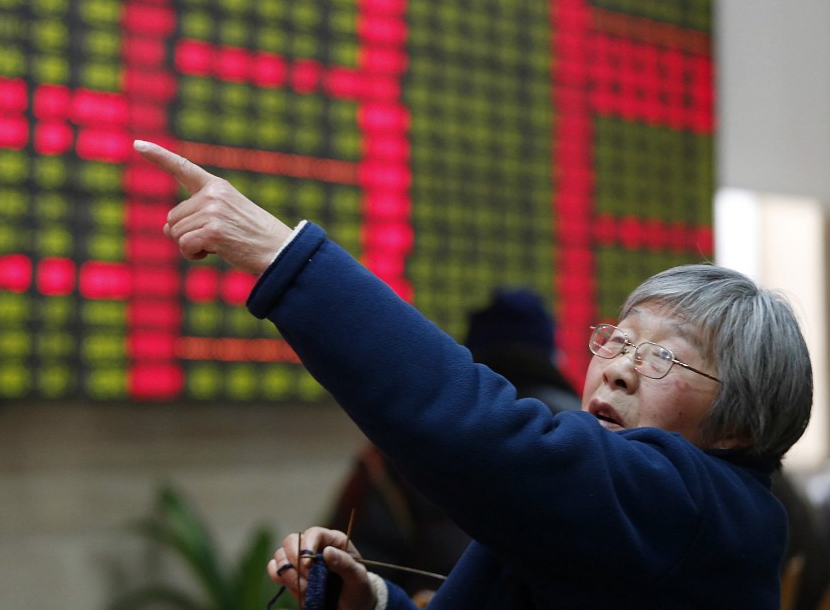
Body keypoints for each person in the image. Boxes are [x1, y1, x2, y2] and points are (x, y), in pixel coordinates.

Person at [133, 139, 814, 609]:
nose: (620, 371)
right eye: (618, 341)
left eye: (664, 355)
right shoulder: (618, 513)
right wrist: (370, 600)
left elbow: (479, 433)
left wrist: (282, 256)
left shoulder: (693, 503)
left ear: (740, 428)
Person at [326, 289, 580, 598]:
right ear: (552, 355)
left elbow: (361, 562)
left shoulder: (406, 432)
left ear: (469, 350)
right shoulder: (591, 435)